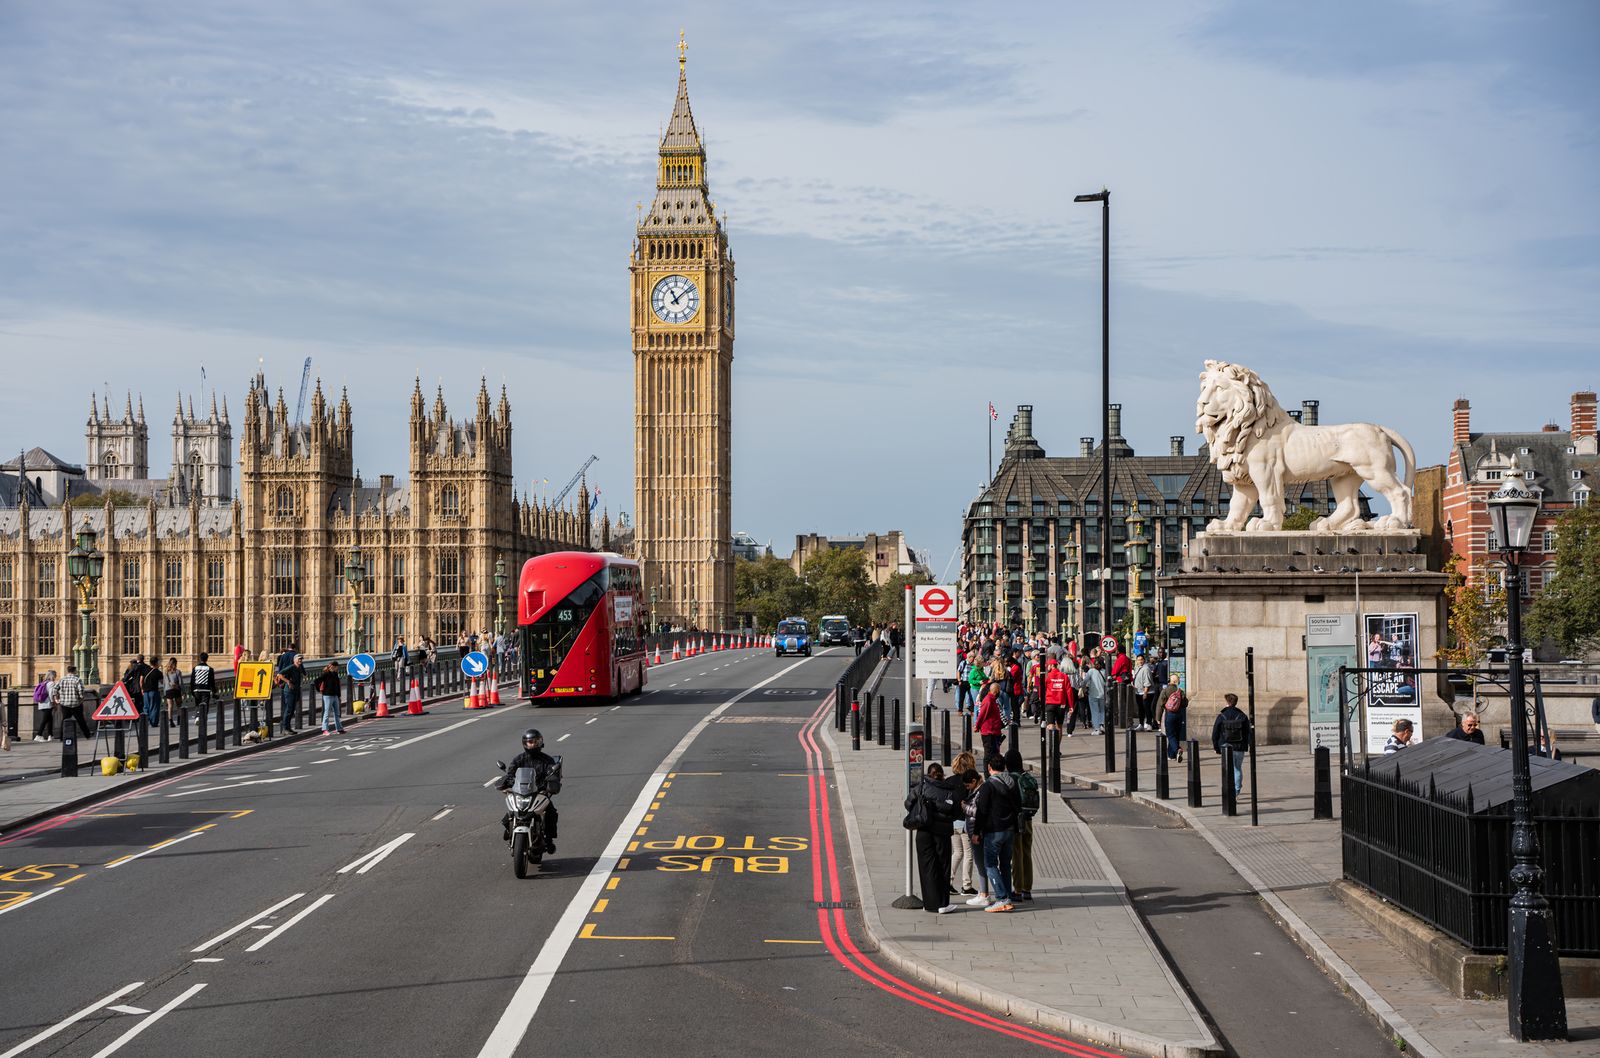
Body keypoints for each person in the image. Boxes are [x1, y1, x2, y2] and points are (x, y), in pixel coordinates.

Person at [905, 762, 962, 914]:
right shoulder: (950, 791)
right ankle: (942, 904)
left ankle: (929, 904)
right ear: (942, 775)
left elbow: (908, 803)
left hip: (923, 832)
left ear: (928, 774)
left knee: (926, 867)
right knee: (943, 867)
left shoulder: (921, 787)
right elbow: (957, 813)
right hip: (942, 834)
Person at [499, 728, 560, 853]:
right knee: (510, 813)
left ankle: (548, 840)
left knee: (551, 813)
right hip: (521, 793)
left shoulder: (547, 760)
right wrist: (507, 781)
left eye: (535, 742)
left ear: (540, 742)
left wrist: (551, 782)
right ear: (525, 743)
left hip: (539, 793)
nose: (533, 744)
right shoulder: (519, 759)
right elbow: (510, 773)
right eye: (530, 742)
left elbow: (552, 773)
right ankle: (508, 829)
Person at [972, 755, 1019, 913]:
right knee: (1006, 864)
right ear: (1004, 767)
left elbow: (982, 811)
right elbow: (1018, 806)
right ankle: (1007, 896)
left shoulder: (988, 786)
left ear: (989, 768)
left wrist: (977, 831)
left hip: (994, 831)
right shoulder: (1012, 783)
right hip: (1010, 829)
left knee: (990, 864)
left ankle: (1001, 898)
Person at [1004, 749, 1037, 902]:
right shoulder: (1026, 777)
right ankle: (1027, 889)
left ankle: (1017, 889)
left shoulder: (1010, 778)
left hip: (1016, 820)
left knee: (1016, 854)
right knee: (1027, 853)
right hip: (1028, 819)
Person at [957, 768, 990, 906]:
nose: (967, 788)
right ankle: (983, 893)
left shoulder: (981, 791)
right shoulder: (976, 790)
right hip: (974, 830)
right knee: (980, 862)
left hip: (978, 832)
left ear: (974, 781)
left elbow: (979, 811)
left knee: (981, 863)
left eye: (967, 785)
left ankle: (984, 894)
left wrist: (965, 807)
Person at [1211, 692, 1253, 797]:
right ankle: (1237, 789)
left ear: (1227, 702)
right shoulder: (1242, 715)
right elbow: (1248, 732)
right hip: (1239, 747)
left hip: (1225, 747)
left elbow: (1215, 733)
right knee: (1237, 768)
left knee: (1228, 770)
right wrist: (1250, 745)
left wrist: (1216, 747)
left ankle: (1230, 790)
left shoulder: (1222, 715)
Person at [275, 651, 306, 733]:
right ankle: (286, 728)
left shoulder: (299, 668)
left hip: (295, 690)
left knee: (292, 710)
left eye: (301, 659)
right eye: (299, 659)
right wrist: (288, 681)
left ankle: (288, 727)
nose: (301, 661)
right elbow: (279, 674)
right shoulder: (291, 667)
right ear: (295, 660)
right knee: (289, 709)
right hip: (289, 691)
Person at [54, 665, 89, 738]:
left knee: (64, 720)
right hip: (76, 703)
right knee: (80, 720)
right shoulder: (77, 679)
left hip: (64, 703)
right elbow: (81, 690)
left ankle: (62, 736)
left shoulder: (62, 679)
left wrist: (56, 699)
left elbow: (55, 689)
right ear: (74, 671)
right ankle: (87, 735)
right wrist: (81, 698)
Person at [1160, 675, 1187, 761]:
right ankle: (1171, 755)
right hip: (1179, 715)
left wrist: (1157, 717)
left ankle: (1177, 749)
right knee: (1176, 734)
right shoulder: (1180, 692)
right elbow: (1185, 704)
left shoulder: (1165, 691)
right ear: (1177, 682)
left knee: (1170, 735)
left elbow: (1160, 704)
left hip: (1170, 714)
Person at [314, 662, 345, 734]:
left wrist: (339, 695)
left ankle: (339, 729)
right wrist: (319, 690)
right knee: (327, 713)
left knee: (337, 713)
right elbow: (316, 681)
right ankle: (324, 729)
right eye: (337, 667)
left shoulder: (335, 674)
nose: (337, 668)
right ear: (333, 667)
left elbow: (337, 685)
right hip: (327, 696)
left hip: (335, 696)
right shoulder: (326, 674)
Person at [975, 680, 1003, 759]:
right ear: (996, 691)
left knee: (994, 753)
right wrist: (977, 726)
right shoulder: (988, 700)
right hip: (989, 731)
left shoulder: (993, 699)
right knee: (989, 754)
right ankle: (987, 771)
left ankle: (993, 769)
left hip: (994, 731)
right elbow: (982, 715)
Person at [1043, 659, 1071, 733]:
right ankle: (1057, 744)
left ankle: (1052, 743)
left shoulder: (1047, 676)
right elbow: (1069, 692)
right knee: (1059, 727)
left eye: (1048, 665)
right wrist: (1071, 706)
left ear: (1052, 666)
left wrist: (1041, 699)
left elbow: (1042, 689)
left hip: (1050, 703)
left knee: (1050, 725)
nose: (1047, 667)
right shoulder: (1064, 676)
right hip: (1061, 704)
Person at [1082, 659, 1107, 734]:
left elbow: (1085, 681)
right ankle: (1101, 725)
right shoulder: (1105, 671)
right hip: (1103, 694)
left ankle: (1097, 728)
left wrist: (1083, 688)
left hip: (1093, 695)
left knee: (1095, 711)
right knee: (1102, 711)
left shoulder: (1091, 671)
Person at [190, 652, 215, 730]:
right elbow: (212, 682)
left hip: (196, 689)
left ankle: (197, 716)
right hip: (206, 690)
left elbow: (192, 681)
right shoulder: (210, 669)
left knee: (197, 704)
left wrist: (192, 691)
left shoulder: (195, 668)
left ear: (200, 659)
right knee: (205, 705)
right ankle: (203, 719)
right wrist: (214, 691)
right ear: (207, 659)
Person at [139, 657, 165, 729]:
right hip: (153, 691)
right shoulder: (158, 672)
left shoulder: (145, 670)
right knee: (154, 707)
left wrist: (142, 689)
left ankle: (144, 722)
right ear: (156, 663)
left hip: (145, 692)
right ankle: (153, 723)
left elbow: (141, 681)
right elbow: (162, 682)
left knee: (146, 707)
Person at [1132, 655, 1155, 731]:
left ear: (1144, 660)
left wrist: (1145, 693)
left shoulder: (1146, 669)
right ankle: (1141, 724)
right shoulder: (1138, 668)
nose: (1140, 661)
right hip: (1138, 692)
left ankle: (1149, 723)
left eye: (1141, 659)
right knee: (1141, 709)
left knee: (1147, 708)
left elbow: (1147, 682)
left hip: (1146, 692)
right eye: (1138, 660)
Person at [31, 671, 55, 741]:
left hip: (41, 703)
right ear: (52, 676)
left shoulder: (42, 683)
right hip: (48, 704)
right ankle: (39, 735)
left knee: (50, 719)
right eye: (55, 675)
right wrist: (53, 702)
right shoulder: (51, 683)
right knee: (44, 720)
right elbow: (51, 694)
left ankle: (50, 735)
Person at [161, 657, 183, 727]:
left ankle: (170, 721)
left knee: (170, 706)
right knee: (179, 705)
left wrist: (164, 693)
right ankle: (179, 720)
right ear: (175, 663)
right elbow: (180, 683)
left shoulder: (166, 672)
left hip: (168, 690)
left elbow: (165, 684)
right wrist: (183, 691)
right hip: (176, 689)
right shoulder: (178, 672)